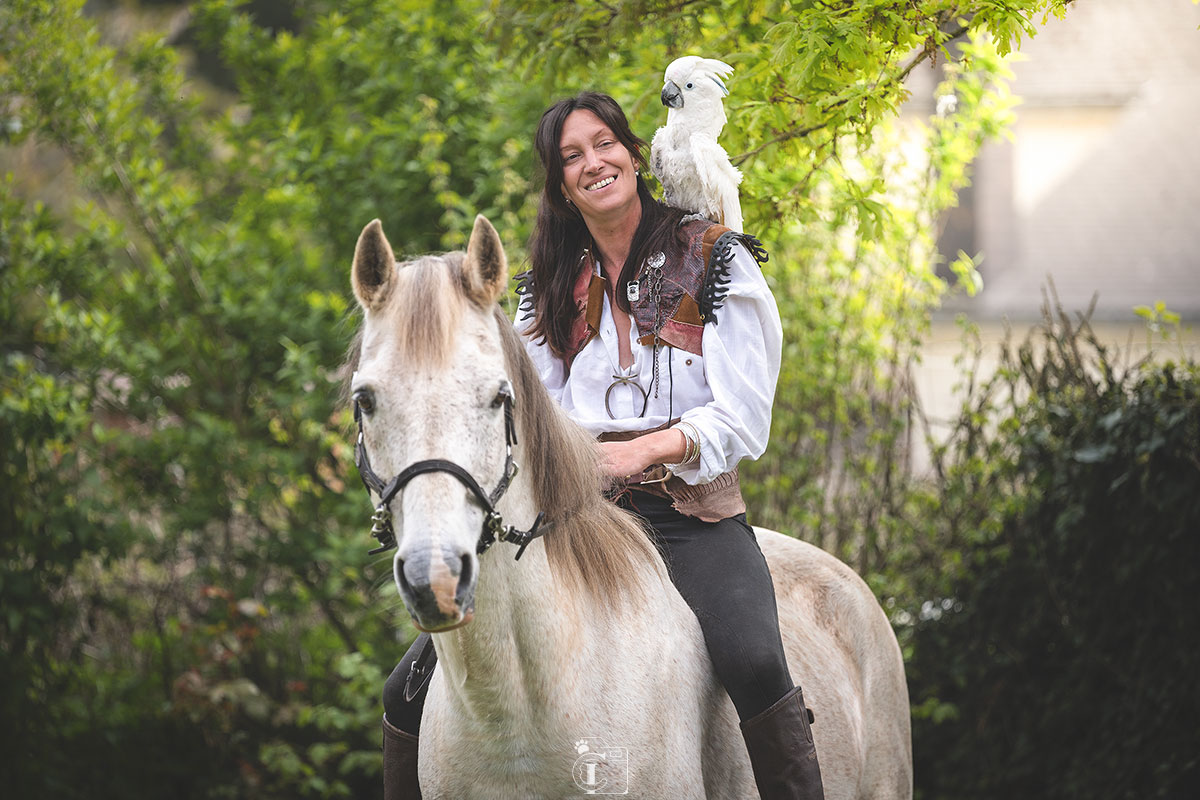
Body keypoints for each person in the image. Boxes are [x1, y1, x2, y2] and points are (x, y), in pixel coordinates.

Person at [381, 91, 825, 800]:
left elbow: (744, 415)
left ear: (633, 153)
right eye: (571, 157)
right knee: (405, 692)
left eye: (604, 144)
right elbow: (532, 413)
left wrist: (640, 451)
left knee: (754, 658)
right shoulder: (544, 288)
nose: (593, 164)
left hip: (689, 515)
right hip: (571, 518)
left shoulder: (717, 261)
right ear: (560, 184)